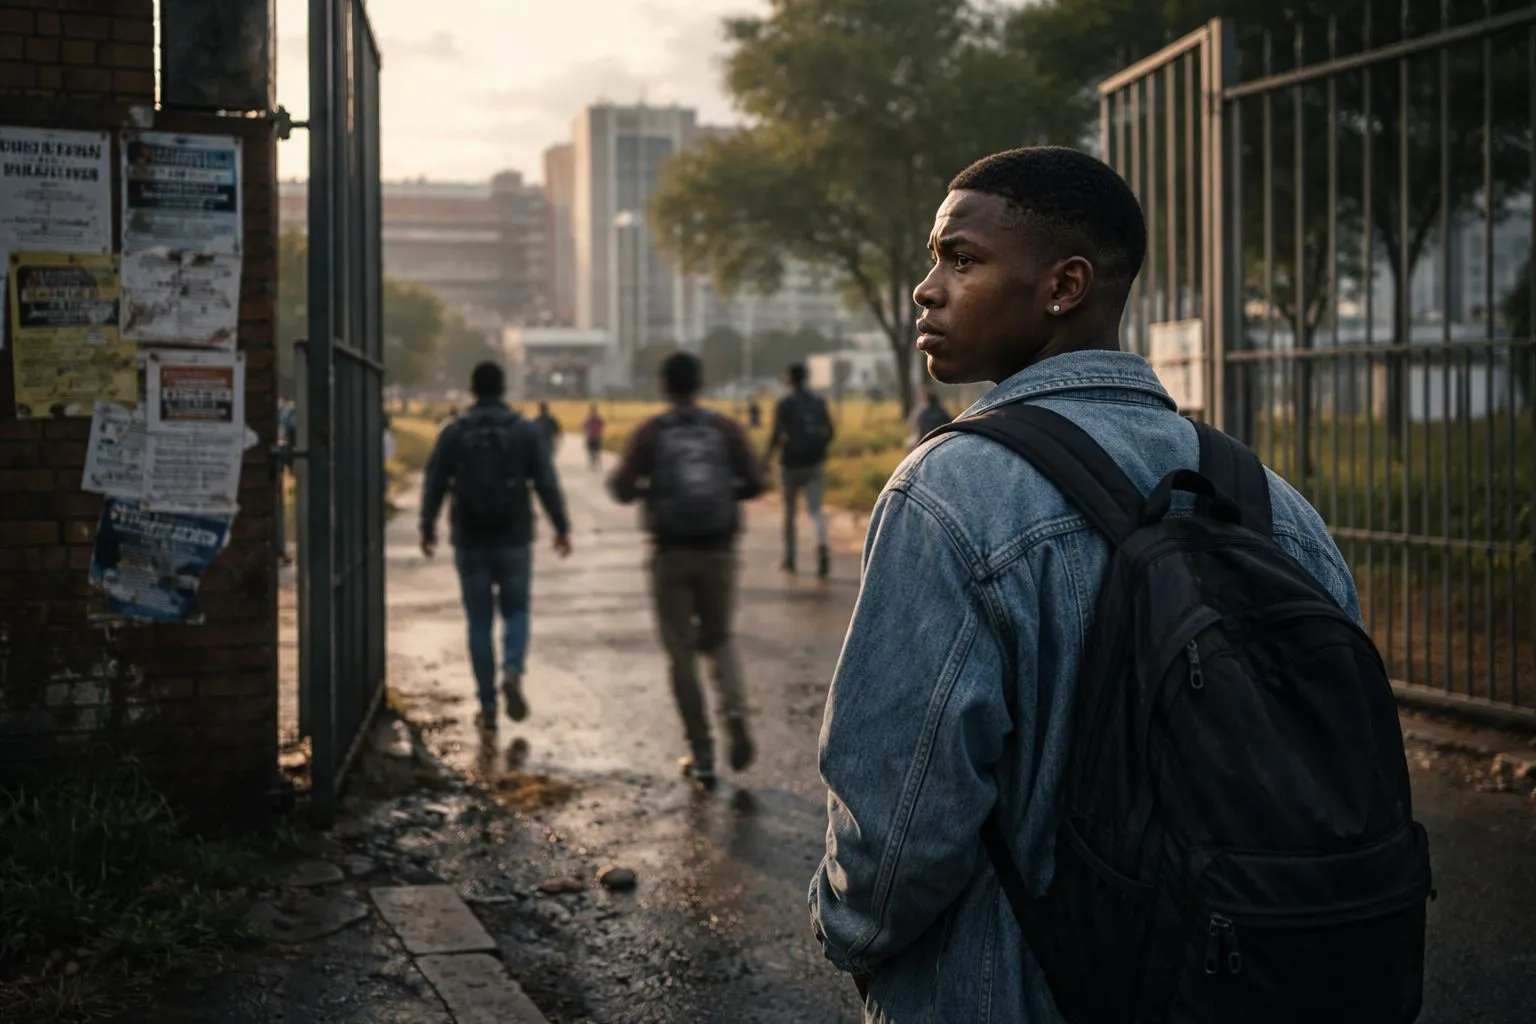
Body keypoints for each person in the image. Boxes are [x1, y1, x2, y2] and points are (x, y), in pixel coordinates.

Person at [809, 148, 1405, 1020]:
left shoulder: (947, 493)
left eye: (961, 258)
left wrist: (853, 939)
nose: (925, 288)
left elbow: (900, 823)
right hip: (1241, 982)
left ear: (1065, 286)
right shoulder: (1274, 504)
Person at [608, 352, 766, 789]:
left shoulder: (650, 434)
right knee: (719, 639)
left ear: (664, 386)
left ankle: (702, 753)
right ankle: (734, 713)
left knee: (680, 652)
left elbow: (620, 488)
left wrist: (649, 487)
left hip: (670, 553)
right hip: (719, 550)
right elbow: (754, 483)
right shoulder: (723, 428)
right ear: (700, 384)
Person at [420, 362, 572, 731]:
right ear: (504, 389)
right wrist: (561, 527)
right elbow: (546, 483)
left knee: (478, 622)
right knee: (517, 610)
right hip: (514, 535)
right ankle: (514, 669)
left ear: (472, 389)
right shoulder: (525, 431)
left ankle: (487, 704)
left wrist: (427, 526)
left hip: (469, 538)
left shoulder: (454, 431)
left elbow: (435, 482)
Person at [765, 363, 834, 578]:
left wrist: (765, 460)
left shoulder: (785, 403)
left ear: (790, 379)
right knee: (815, 511)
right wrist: (821, 450)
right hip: (814, 463)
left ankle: (790, 559)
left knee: (789, 514)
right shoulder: (818, 401)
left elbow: (776, 435)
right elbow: (830, 431)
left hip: (790, 465)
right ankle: (821, 545)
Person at [582, 404, 605, 470]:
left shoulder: (589, 419)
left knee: (592, 452)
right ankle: (596, 465)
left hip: (592, 437)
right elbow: (602, 426)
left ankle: (594, 465)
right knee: (596, 452)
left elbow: (584, 427)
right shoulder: (598, 419)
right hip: (596, 437)